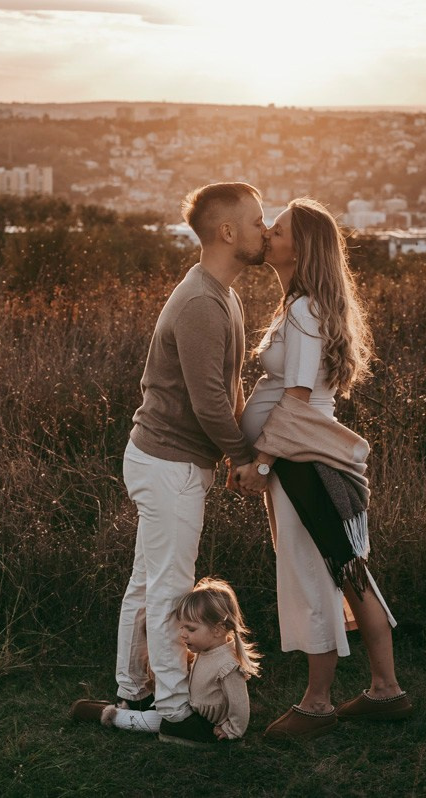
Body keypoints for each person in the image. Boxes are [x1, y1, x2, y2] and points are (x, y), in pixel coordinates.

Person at [70, 182, 269, 747]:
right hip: (169, 463)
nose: (265, 229)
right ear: (227, 232)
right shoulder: (205, 302)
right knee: (169, 589)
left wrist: (231, 453)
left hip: (164, 458)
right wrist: (243, 457)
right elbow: (209, 401)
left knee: (146, 583)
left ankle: (132, 689)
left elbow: (221, 390)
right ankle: (177, 715)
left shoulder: (220, 293)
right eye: (257, 221)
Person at [235, 197, 413, 742]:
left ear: (300, 247)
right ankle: (386, 691)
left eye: (279, 229)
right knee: (348, 571)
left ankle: (317, 703)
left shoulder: (305, 309)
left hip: (301, 461)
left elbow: (296, 396)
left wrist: (261, 462)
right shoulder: (299, 305)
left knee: (314, 576)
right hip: (303, 457)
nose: (267, 233)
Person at [101, 577, 261, 746]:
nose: (183, 634)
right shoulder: (205, 650)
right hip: (193, 712)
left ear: (218, 629)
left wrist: (232, 730)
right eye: (182, 627)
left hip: (209, 724)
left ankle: (112, 716)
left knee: (155, 722)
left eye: (190, 629)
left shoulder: (228, 666)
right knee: (159, 717)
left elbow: (240, 704)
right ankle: (110, 712)